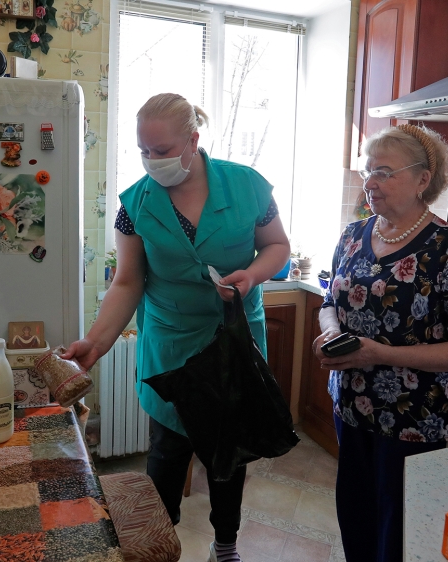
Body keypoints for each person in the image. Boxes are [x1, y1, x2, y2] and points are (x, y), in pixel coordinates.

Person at [63, 93, 290, 562]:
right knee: (166, 454)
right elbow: (127, 281)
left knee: (229, 456)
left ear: (193, 140)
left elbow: (277, 246)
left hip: (232, 342)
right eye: (143, 150)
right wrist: (97, 341)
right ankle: (157, 548)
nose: (151, 161)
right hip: (170, 345)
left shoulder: (248, 186)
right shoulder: (135, 205)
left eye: (161, 150)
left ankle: (225, 545)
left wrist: (253, 276)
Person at [314, 124, 448, 562]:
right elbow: (328, 301)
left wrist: (381, 354)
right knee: (355, 514)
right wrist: (329, 331)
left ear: (422, 180)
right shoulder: (352, 235)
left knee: (399, 530)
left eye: (383, 172)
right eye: (366, 171)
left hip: (415, 418)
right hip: (352, 404)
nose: (370, 182)